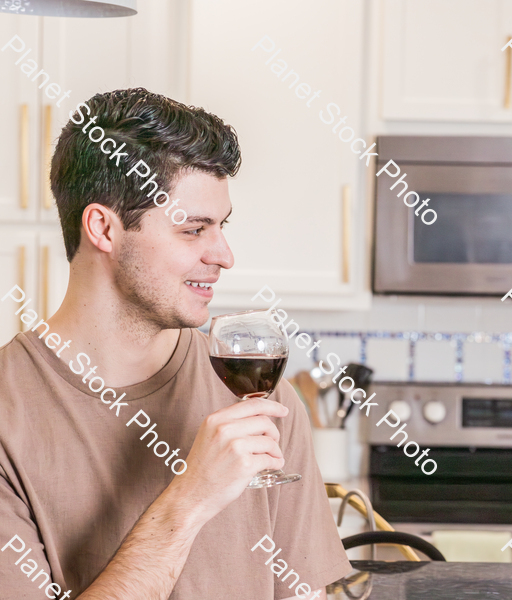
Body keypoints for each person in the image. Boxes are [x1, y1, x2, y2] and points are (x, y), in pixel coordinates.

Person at [0, 88, 351, 599]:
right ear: (103, 227)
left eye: (222, 226)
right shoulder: (9, 414)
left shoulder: (260, 401)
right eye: (194, 230)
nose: (225, 255)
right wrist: (191, 498)